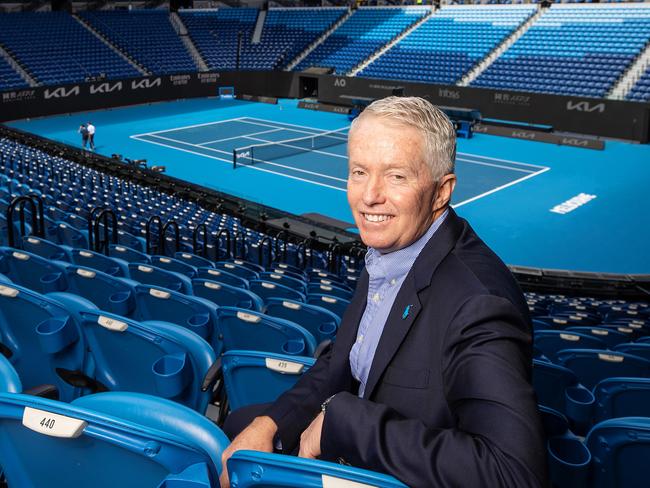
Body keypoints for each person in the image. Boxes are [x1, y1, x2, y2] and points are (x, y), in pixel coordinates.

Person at [219, 96, 548, 487]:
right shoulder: (387, 251)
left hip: (390, 470)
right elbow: (344, 360)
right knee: (238, 428)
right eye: (359, 171)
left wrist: (348, 423)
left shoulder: (480, 303)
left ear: (442, 192)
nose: (369, 195)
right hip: (362, 447)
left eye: (396, 176)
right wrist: (273, 423)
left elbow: (514, 475)